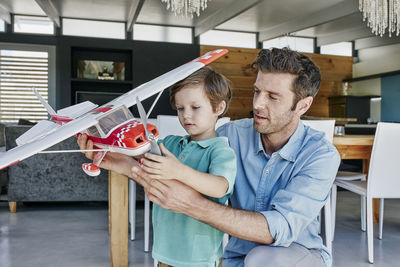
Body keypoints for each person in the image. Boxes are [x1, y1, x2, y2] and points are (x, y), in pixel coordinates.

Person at [131, 48, 341, 267]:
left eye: (273, 96)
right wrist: (115, 152)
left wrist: (191, 204)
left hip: (296, 255)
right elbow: (180, 165)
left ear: (303, 105)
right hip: (237, 258)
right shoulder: (229, 136)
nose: (257, 104)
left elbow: (280, 227)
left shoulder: (320, 155)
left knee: (263, 260)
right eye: (257, 91)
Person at [78, 66, 236, 267]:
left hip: (200, 259)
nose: (186, 115)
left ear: (219, 108)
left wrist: (179, 171)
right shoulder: (169, 143)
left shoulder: (221, 150)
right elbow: (138, 164)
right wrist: (107, 156)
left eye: (195, 107)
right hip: (164, 254)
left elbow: (220, 186)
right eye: (180, 108)